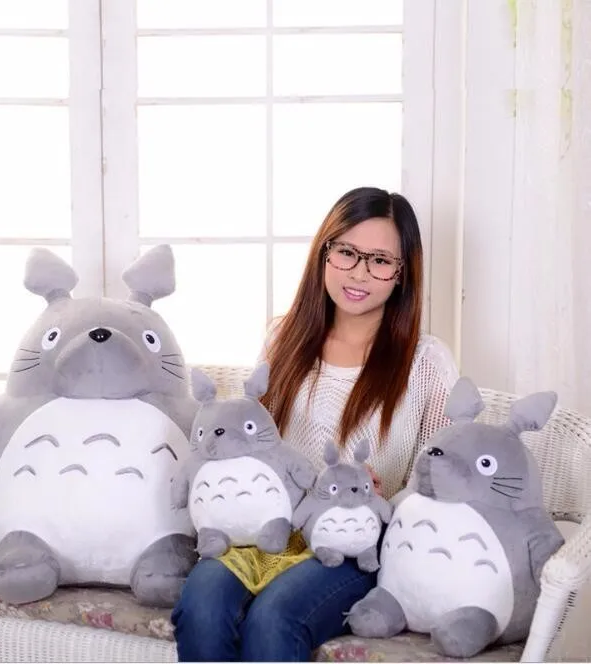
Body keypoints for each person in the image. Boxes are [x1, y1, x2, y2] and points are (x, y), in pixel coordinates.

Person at [171, 186, 460, 661]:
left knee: (273, 616)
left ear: (402, 273)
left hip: (352, 543)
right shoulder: (282, 339)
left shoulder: (425, 363)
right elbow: (257, 444)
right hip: (268, 527)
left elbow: (437, 485)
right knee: (203, 604)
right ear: (324, 252)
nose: (359, 273)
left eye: (380, 261)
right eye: (346, 252)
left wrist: (383, 496)